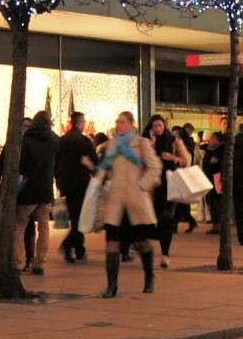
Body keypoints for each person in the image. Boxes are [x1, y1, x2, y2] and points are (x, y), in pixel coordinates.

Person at [90, 111, 161, 297]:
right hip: (116, 201)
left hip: (136, 201)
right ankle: (111, 286)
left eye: (122, 122)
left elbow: (155, 167)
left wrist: (142, 185)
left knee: (142, 242)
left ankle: (149, 277)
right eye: (117, 122)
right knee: (111, 243)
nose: (118, 125)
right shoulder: (112, 145)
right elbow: (105, 168)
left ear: (131, 124)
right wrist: (97, 176)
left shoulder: (141, 143)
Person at [9, 109, 59, 277]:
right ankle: (40, 263)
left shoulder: (26, 139)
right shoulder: (55, 139)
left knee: (20, 224)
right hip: (45, 189)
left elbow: (21, 166)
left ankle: (19, 262)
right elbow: (57, 164)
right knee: (44, 227)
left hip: (28, 190)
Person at [51, 111, 98, 263]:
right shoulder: (83, 141)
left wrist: (58, 180)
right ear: (80, 122)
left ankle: (79, 249)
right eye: (84, 122)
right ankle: (68, 245)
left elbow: (55, 162)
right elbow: (92, 160)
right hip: (81, 183)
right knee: (80, 218)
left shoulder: (61, 140)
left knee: (76, 216)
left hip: (65, 184)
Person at [142, 115, 187, 266]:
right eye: (154, 126)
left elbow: (186, 161)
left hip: (169, 186)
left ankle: (165, 254)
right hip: (151, 188)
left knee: (166, 219)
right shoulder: (145, 142)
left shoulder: (174, 141)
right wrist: (151, 146)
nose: (157, 129)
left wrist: (173, 158)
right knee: (151, 221)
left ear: (164, 126)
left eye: (160, 125)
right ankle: (142, 242)